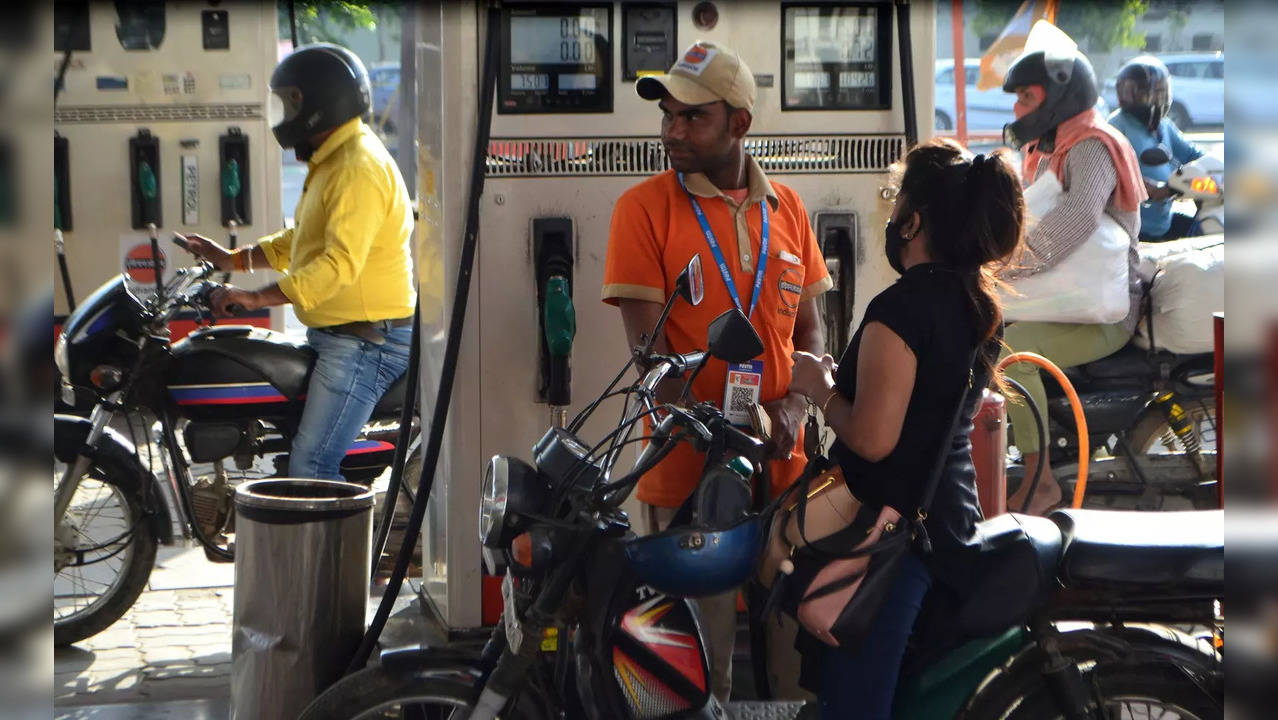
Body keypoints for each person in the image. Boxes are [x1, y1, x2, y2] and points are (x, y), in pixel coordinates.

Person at [602, 41, 832, 703]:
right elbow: (650, 355)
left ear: (739, 125)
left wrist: (791, 411)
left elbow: (811, 332)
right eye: (667, 116)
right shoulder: (643, 209)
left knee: (795, 670)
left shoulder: (786, 206)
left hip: (786, 477)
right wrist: (714, 429)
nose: (673, 131)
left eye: (692, 118)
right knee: (693, 679)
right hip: (688, 480)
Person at [788, 138, 1024, 720]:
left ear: (913, 221)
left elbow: (873, 438)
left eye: (897, 205)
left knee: (857, 706)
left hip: (892, 544)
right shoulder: (974, 301)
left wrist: (820, 390)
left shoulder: (902, 310)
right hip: (947, 524)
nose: (892, 217)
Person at [180, 44, 416, 481]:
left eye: (290, 102)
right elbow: (303, 237)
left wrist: (256, 299)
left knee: (312, 463)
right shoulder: (336, 160)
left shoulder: (357, 167)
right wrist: (233, 258)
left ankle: (334, 550)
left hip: (366, 343)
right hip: (342, 336)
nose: (282, 115)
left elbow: (338, 264)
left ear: (319, 105)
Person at [998, 45, 1147, 514]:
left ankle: (1040, 480)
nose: (1017, 108)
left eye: (1026, 96)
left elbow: (1079, 215)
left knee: (1012, 356)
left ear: (1058, 98)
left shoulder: (1090, 145)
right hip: (1070, 303)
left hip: (1106, 313)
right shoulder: (1051, 147)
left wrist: (1012, 267)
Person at [1107, 56, 1206, 241]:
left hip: (1163, 223)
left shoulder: (1163, 125)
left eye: (1162, 92)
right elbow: (1113, 173)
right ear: (1129, 93)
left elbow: (1192, 154)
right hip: (1132, 233)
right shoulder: (1116, 127)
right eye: (1151, 93)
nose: (1157, 99)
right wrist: (1151, 189)